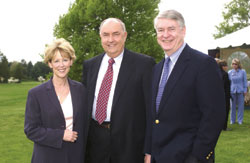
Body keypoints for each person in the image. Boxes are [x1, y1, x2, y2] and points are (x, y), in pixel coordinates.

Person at [144, 10, 226, 163]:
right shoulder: (157, 68)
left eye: (171, 29)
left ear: (183, 31)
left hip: (187, 157)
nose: (165, 34)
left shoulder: (203, 64)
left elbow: (214, 115)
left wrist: (197, 156)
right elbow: (154, 116)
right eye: (160, 30)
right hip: (157, 157)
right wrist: (149, 152)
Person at [82, 18, 155, 163]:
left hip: (130, 146)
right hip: (95, 145)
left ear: (125, 35)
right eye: (106, 35)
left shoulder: (144, 64)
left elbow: (151, 110)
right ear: (100, 37)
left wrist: (149, 150)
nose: (111, 40)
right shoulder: (90, 65)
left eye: (116, 34)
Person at [24, 38, 87, 163]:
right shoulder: (36, 94)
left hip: (75, 156)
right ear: (50, 64)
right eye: (56, 61)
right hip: (47, 157)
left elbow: (85, 125)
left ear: (71, 62)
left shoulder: (80, 90)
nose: (61, 65)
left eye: (65, 60)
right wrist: (60, 135)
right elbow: (31, 130)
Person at [228, 58, 248, 125]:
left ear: (238, 64)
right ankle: (232, 120)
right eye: (233, 64)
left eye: (235, 64)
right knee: (232, 107)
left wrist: (245, 90)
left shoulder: (243, 71)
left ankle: (240, 120)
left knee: (241, 107)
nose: (234, 65)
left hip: (240, 91)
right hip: (232, 91)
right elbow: (229, 83)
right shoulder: (230, 72)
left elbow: (245, 82)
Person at [218, 60, 231, 131]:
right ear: (223, 67)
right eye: (226, 66)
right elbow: (226, 86)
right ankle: (224, 126)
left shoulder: (216, 73)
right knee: (226, 111)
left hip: (217, 96)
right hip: (225, 96)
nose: (226, 67)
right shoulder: (225, 74)